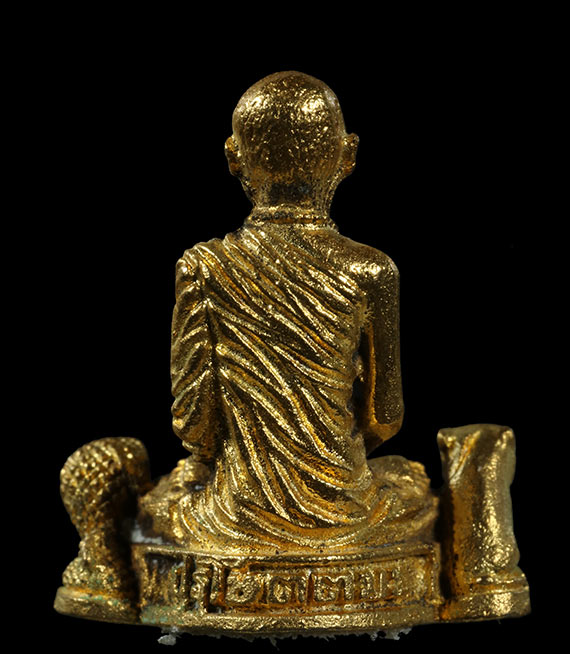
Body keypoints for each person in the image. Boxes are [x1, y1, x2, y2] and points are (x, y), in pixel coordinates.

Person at [140, 71, 437, 552]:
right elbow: (385, 417)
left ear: (233, 157)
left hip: (232, 517)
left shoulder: (204, 268)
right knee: (410, 481)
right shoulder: (371, 270)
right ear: (348, 155)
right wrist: (323, 461)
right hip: (346, 511)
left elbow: (194, 425)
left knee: (157, 499)